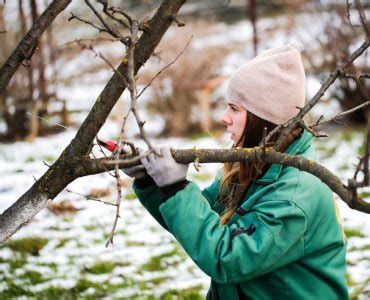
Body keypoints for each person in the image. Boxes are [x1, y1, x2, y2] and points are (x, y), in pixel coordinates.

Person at [123, 44, 348, 299]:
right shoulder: (250, 164)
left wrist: (176, 188)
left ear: (264, 118)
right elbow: (199, 220)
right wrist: (152, 182)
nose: (223, 117)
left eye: (234, 108)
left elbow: (227, 259)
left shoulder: (295, 196)